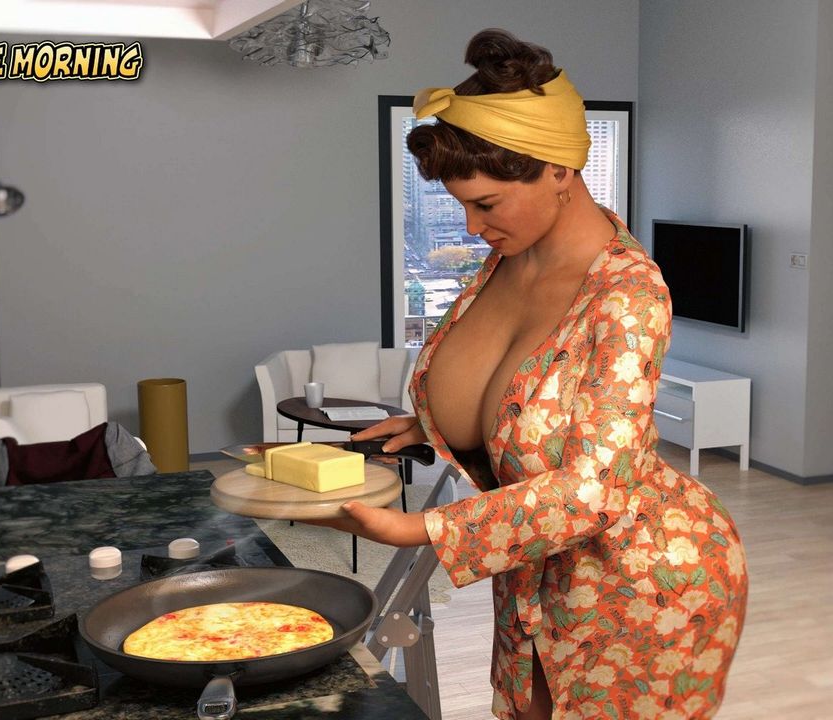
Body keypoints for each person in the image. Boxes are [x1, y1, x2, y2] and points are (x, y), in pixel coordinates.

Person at [311, 29, 748, 719]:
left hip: (646, 585)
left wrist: (423, 530)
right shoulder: (509, 257)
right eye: (461, 205)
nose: (471, 226)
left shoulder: (629, 294)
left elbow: (594, 490)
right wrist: (432, 423)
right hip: (534, 573)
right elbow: (518, 391)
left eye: (486, 204)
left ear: (560, 170)